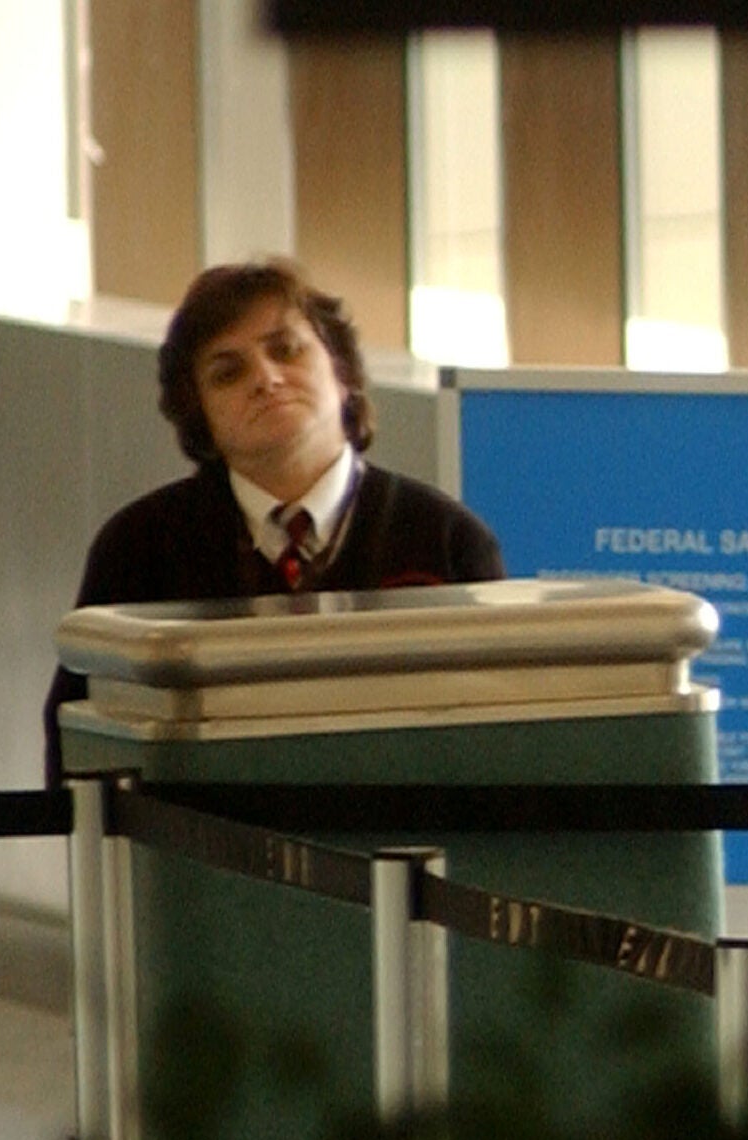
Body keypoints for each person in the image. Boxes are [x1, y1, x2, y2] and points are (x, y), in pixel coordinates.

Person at [43, 258, 506, 781]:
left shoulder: (448, 541)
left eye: (286, 350)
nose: (265, 379)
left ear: (343, 373)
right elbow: (77, 745)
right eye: (228, 372)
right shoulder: (139, 548)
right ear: (200, 416)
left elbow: (492, 748)